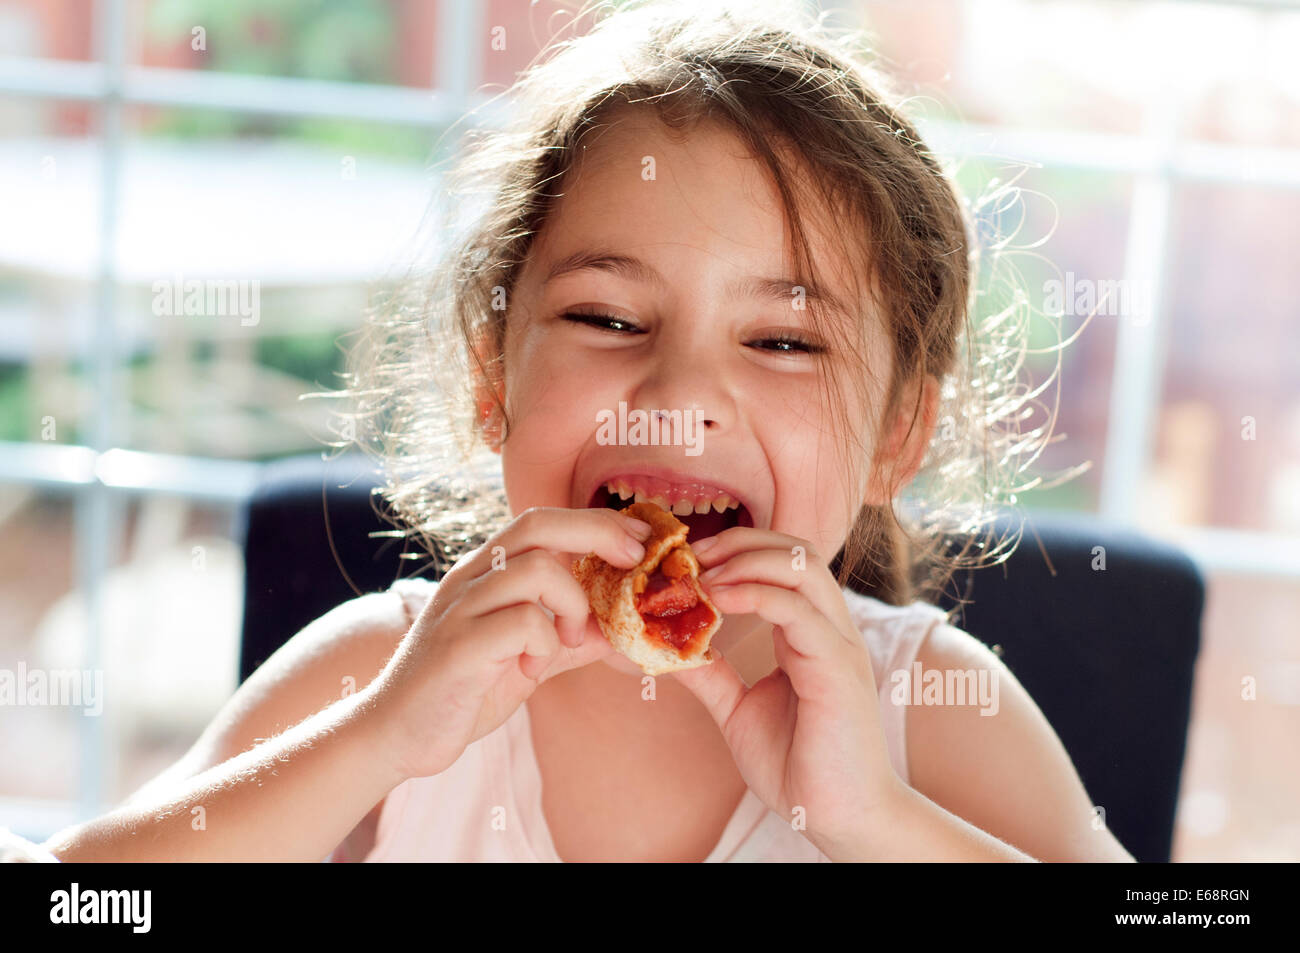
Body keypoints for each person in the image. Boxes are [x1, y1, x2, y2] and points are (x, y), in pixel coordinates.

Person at [44, 0, 1134, 863]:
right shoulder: (384, 672)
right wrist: (376, 738)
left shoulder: (934, 714)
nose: (679, 391)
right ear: (492, 375)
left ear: (898, 433)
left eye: (784, 341)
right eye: (608, 318)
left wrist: (875, 822)